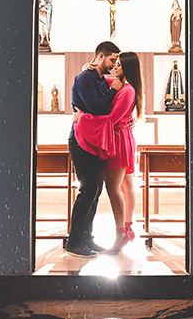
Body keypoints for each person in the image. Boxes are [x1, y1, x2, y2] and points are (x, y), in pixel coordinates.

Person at [74, 50, 143, 254]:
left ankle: (120, 234)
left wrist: (83, 118)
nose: (115, 67)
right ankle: (126, 230)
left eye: (119, 65)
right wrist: (87, 68)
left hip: (119, 140)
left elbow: (112, 118)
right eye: (115, 63)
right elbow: (106, 79)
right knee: (121, 186)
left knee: (114, 189)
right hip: (120, 138)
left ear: (127, 68)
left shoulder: (128, 90)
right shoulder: (123, 85)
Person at [66, 40, 121, 257]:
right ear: (100, 56)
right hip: (81, 141)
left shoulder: (97, 78)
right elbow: (96, 108)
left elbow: (109, 101)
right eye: (111, 60)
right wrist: (113, 90)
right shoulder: (85, 78)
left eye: (116, 61)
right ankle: (74, 242)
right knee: (87, 190)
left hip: (94, 140)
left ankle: (86, 239)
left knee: (95, 191)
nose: (114, 65)